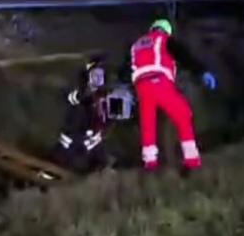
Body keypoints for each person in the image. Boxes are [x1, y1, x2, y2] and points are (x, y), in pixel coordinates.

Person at [126, 18, 217, 175]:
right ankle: (192, 158)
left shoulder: (136, 45)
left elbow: (128, 68)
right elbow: (184, 57)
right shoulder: (164, 40)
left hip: (141, 88)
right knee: (183, 114)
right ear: (165, 30)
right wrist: (202, 72)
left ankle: (150, 162)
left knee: (148, 122)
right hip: (159, 82)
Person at [54, 55, 112, 173]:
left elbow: (108, 120)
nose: (98, 78)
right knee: (62, 159)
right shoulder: (78, 90)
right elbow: (70, 98)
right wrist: (84, 96)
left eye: (100, 75)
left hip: (91, 141)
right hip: (72, 139)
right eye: (95, 74)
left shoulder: (104, 96)